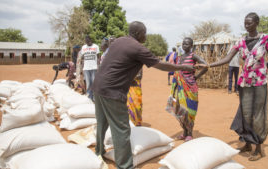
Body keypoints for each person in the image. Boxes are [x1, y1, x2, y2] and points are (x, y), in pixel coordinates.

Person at [91, 21, 200, 169]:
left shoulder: (119, 41)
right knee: (122, 129)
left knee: (102, 122)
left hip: (98, 87)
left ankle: (99, 151)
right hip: (113, 91)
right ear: (137, 33)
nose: (146, 35)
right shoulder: (138, 48)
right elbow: (160, 65)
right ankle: (125, 165)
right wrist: (183, 67)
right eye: (144, 33)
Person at [207, 12, 268, 161]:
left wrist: (260, 71)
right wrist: (208, 65)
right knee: (246, 114)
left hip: (259, 83)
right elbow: (227, 58)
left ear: (257, 23)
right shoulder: (240, 41)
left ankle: (258, 148)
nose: (246, 25)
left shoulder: (265, 39)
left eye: (249, 22)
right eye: (245, 23)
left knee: (257, 115)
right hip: (244, 83)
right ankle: (247, 143)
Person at [166, 37, 208, 142]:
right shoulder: (179, 57)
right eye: (183, 44)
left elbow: (205, 66)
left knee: (189, 110)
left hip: (190, 86)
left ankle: (190, 133)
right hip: (179, 87)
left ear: (191, 46)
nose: (185, 46)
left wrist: (196, 77)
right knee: (180, 109)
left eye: (187, 44)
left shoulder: (193, 56)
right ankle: (184, 132)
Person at [76, 35, 100, 101]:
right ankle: (89, 97)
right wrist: (82, 68)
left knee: (94, 82)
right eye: (85, 41)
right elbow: (83, 58)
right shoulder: (84, 47)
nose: (87, 42)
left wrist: (98, 66)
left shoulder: (95, 46)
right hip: (86, 68)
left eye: (88, 41)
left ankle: (95, 98)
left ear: (90, 40)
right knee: (88, 83)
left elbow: (98, 57)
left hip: (94, 67)